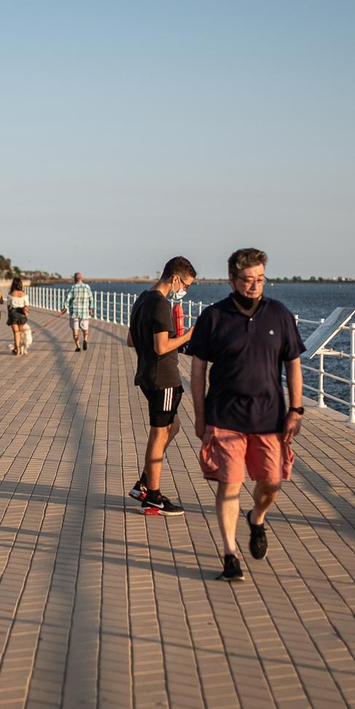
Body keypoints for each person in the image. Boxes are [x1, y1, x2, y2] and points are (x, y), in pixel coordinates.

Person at [185, 248, 303, 580]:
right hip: (225, 416)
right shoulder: (213, 317)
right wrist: (200, 415)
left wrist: (296, 409)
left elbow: (293, 363)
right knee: (229, 484)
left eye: (260, 279)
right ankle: (230, 554)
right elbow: (197, 370)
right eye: (248, 279)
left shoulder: (279, 314)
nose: (255, 286)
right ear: (232, 279)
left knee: (272, 483)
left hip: (269, 418)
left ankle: (257, 518)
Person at [125, 257, 196, 515]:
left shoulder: (142, 299)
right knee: (160, 433)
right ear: (175, 278)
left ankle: (144, 482)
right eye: (186, 285)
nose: (185, 290)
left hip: (146, 374)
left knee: (172, 427)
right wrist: (189, 335)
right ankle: (153, 496)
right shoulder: (161, 304)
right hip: (162, 378)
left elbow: (131, 340)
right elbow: (162, 347)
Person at [62, 272, 95, 351]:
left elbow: (67, 299)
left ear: (74, 279)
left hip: (74, 313)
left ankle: (78, 346)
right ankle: (85, 340)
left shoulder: (72, 288)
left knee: (75, 330)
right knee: (85, 329)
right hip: (85, 313)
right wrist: (90, 308)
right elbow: (91, 298)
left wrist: (65, 308)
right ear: (81, 278)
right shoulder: (87, 287)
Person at [5, 277, 31, 355]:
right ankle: (19, 348)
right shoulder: (25, 294)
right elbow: (27, 306)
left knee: (16, 332)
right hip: (22, 315)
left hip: (13, 314)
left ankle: (17, 349)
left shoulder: (10, 294)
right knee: (19, 332)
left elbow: (8, 306)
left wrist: (9, 316)